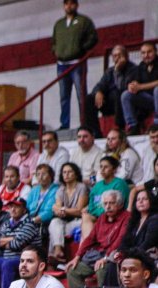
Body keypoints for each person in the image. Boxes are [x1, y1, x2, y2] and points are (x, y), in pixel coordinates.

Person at [67, 190, 131, 288]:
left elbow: (120, 240)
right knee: (72, 270)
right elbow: (90, 238)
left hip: (113, 256)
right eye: (105, 203)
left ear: (120, 204)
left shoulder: (126, 217)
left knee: (102, 269)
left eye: (112, 203)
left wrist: (105, 258)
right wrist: (77, 256)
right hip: (97, 255)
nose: (108, 206)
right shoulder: (102, 218)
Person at [51, 0, 98, 130]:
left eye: (71, 3)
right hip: (61, 64)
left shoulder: (84, 21)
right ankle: (64, 124)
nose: (69, 6)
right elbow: (53, 41)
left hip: (77, 63)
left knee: (81, 95)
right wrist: (56, 51)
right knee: (63, 96)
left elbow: (93, 37)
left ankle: (85, 124)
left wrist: (81, 49)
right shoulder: (59, 24)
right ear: (64, 6)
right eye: (66, 4)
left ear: (76, 5)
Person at [84, 45, 137, 137]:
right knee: (89, 99)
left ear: (126, 56)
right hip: (109, 104)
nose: (117, 58)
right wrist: (98, 92)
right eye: (114, 56)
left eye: (119, 55)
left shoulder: (133, 69)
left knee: (118, 93)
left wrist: (117, 71)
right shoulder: (109, 71)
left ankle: (120, 129)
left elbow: (122, 87)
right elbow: (100, 85)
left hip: (125, 103)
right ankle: (94, 132)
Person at [49, 162, 89, 263]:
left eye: (69, 172)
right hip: (64, 221)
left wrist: (62, 209)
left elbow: (79, 211)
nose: (66, 174)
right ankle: (58, 250)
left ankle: (54, 258)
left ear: (76, 174)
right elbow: (57, 207)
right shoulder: (61, 189)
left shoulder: (81, 187)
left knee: (58, 230)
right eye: (64, 172)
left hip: (78, 220)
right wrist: (58, 209)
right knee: (54, 223)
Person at [81, 156, 129, 240]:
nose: (102, 170)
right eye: (101, 167)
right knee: (86, 216)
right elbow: (91, 206)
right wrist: (97, 214)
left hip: (114, 216)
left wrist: (100, 214)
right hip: (97, 216)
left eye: (106, 167)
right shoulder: (97, 186)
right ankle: (87, 246)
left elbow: (119, 205)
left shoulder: (119, 184)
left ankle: (87, 247)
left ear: (114, 169)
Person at [120, 41, 158, 136]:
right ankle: (133, 126)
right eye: (143, 53)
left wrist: (141, 87)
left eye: (149, 52)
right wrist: (132, 86)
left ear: (156, 52)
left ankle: (157, 124)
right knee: (126, 95)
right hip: (149, 100)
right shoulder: (141, 66)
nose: (146, 55)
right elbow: (135, 82)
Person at [26, 164, 59, 228]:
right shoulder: (34, 190)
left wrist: (32, 221)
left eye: (44, 174)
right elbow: (27, 207)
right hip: (30, 219)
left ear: (51, 176)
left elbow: (49, 212)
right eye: (38, 174)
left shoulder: (56, 190)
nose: (40, 177)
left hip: (44, 222)